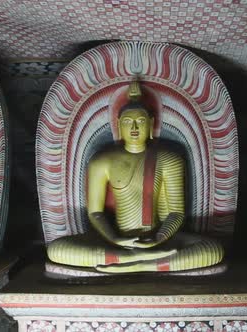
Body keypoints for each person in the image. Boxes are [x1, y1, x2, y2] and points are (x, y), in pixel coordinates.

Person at [47, 81, 224, 273]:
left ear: (151, 124)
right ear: (118, 125)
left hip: (159, 240)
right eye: (127, 122)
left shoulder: (168, 159)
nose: (134, 127)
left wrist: (158, 238)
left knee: (213, 250)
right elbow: (95, 213)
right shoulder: (102, 161)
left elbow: (175, 212)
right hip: (116, 240)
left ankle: (140, 264)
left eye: (140, 121)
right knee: (57, 249)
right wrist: (114, 239)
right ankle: (133, 258)